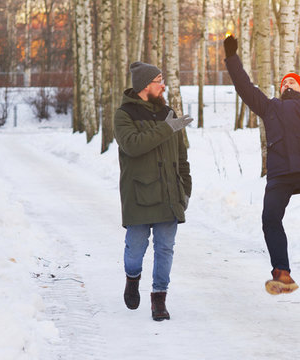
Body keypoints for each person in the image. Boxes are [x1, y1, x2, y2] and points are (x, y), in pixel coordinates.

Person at [223, 35, 300, 295]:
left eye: (292, 80)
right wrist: (232, 58)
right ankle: (282, 272)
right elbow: (245, 87)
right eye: (283, 82)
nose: (286, 83)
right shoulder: (270, 107)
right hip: (280, 175)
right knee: (270, 217)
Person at [114, 61, 193, 320]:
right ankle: (133, 279)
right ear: (145, 86)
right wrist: (167, 128)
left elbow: (181, 156)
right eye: (159, 80)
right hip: (139, 195)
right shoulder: (124, 114)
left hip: (170, 196)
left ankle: (159, 298)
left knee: (165, 249)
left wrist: (186, 188)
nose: (163, 85)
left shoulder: (167, 113)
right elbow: (133, 145)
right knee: (135, 249)